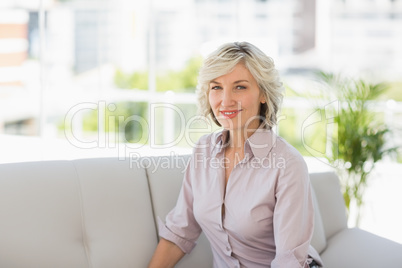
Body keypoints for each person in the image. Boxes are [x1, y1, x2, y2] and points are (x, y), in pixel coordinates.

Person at [148, 42, 323, 268]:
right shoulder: (203, 151)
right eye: (216, 87)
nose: (226, 101)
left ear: (263, 93)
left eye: (240, 87)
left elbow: (288, 262)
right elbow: (180, 233)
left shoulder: (287, 164)